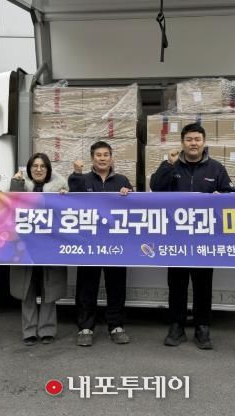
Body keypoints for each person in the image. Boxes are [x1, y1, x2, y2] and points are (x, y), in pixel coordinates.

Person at [150, 123, 235, 350]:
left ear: (204, 142)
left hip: (204, 238)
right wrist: (168, 164)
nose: (193, 143)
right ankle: (176, 326)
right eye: (189, 140)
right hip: (176, 237)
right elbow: (155, 188)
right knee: (176, 284)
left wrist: (221, 196)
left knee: (203, 285)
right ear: (182, 143)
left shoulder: (216, 168)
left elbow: (230, 196)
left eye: (197, 139)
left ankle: (202, 327)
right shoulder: (172, 165)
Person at [68, 141, 133, 347]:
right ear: (92, 158)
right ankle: (85, 327)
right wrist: (76, 174)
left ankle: (116, 325)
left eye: (106, 155)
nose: (102, 158)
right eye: (98, 155)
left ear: (111, 158)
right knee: (86, 286)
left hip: (116, 243)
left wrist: (128, 194)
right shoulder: (84, 179)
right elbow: (72, 197)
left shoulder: (122, 180)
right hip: (89, 243)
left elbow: (135, 208)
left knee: (116, 286)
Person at [10, 153, 68, 346]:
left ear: (48, 169)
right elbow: (10, 205)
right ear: (29, 169)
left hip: (50, 247)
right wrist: (16, 184)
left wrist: (65, 197)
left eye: (43, 166)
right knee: (26, 289)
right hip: (25, 247)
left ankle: (47, 330)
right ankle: (29, 331)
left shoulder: (60, 188)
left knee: (48, 288)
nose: (38, 169)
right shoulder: (20, 186)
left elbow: (69, 215)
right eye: (35, 166)